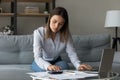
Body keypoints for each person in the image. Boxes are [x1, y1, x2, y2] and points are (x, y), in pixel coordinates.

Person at [31, 7, 92, 72]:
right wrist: (48, 66)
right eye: (54, 21)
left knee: (65, 66)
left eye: (60, 24)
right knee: (45, 71)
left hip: (57, 61)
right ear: (49, 19)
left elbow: (72, 53)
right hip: (41, 61)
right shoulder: (38, 33)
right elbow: (37, 57)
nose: (56, 26)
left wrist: (78, 65)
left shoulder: (66, 35)